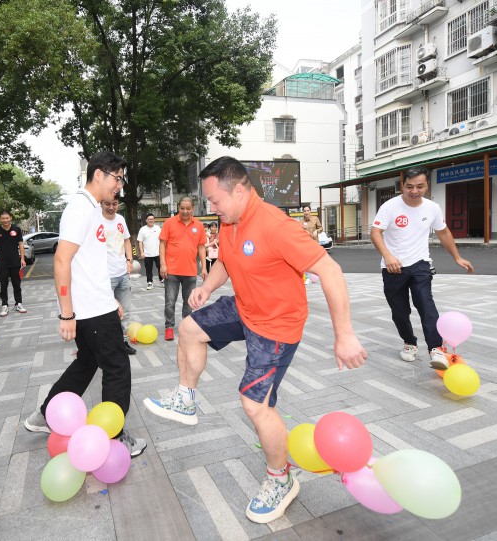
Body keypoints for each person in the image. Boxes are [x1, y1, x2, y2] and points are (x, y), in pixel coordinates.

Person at [143, 156, 367, 524]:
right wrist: (207, 287)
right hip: (246, 307)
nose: (210, 208)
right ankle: (186, 399)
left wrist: (344, 335)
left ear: (241, 190)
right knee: (188, 328)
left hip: (275, 327)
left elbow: (330, 269)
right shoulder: (231, 222)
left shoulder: (276, 226)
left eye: (215, 201)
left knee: (255, 404)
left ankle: (281, 479)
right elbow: (227, 261)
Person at [23, 151, 146, 457]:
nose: (119, 185)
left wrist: (111, 300)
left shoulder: (92, 208)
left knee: (87, 362)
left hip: (96, 305)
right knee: (118, 367)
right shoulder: (82, 208)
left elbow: (88, 264)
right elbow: (62, 260)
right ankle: (115, 436)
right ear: (99, 174)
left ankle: (47, 413)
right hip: (88, 311)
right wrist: (67, 314)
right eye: (117, 178)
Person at [370, 167, 474, 366]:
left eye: (420, 186)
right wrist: (388, 256)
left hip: (420, 265)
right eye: (409, 186)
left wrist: (457, 257)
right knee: (400, 312)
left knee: (426, 306)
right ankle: (409, 342)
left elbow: (443, 232)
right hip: (393, 268)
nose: (414, 191)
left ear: (427, 185)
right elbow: (376, 233)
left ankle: (436, 349)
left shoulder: (432, 208)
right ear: (402, 185)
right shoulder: (390, 206)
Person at [159, 197, 207, 341]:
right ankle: (169, 327)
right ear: (178, 207)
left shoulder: (198, 225)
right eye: (182, 208)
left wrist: (204, 267)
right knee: (170, 301)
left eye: (188, 208)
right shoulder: (169, 223)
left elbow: (201, 247)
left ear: (193, 209)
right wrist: (163, 264)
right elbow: (162, 244)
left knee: (189, 302)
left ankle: (186, 327)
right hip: (171, 270)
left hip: (190, 271)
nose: (185, 211)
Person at [101, 194, 137, 355]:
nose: (111, 207)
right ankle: (107, 344)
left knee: (126, 311)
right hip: (105, 277)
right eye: (107, 203)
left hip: (122, 274)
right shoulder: (95, 221)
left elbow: (127, 240)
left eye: (114, 204)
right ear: (101, 203)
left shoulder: (120, 219)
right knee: (106, 312)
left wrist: (129, 260)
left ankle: (123, 342)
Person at [0, 210, 27, 316]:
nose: (5, 220)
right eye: (3, 218)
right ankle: (4, 305)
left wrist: (22, 259)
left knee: (17, 284)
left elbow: (21, 244)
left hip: (15, 261)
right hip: (2, 262)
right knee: (3, 285)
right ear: (0, 219)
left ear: (10, 218)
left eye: (7, 218)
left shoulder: (17, 229)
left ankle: (18, 303)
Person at [137, 213, 162, 290]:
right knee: (148, 268)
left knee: (160, 267)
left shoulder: (158, 228)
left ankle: (162, 280)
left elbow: (161, 240)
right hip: (147, 254)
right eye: (149, 219)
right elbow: (140, 241)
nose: (151, 220)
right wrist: (142, 252)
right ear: (146, 220)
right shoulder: (142, 229)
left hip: (158, 252)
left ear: (154, 220)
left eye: (152, 219)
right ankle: (149, 282)